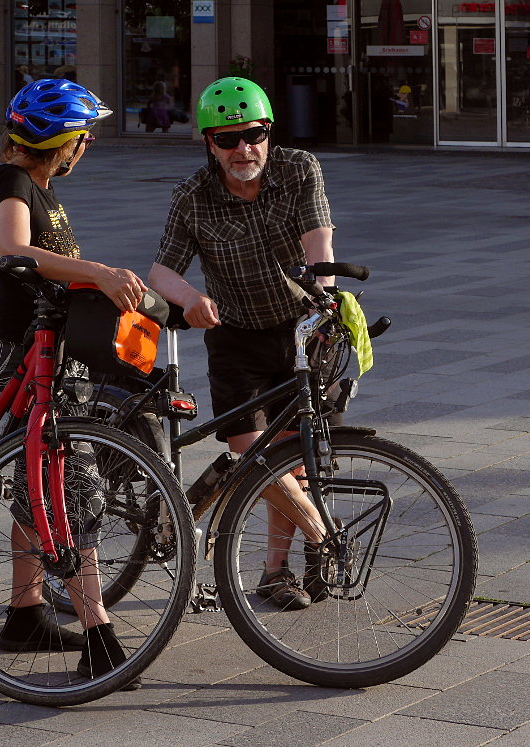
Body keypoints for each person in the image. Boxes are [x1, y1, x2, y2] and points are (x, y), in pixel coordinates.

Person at [0, 78, 147, 688]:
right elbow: (13, 249)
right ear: (64, 141)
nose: (89, 145)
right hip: (28, 353)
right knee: (70, 484)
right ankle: (99, 632)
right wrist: (98, 271)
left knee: (39, 476)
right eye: (85, 136)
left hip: (57, 349)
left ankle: (25, 612)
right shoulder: (13, 184)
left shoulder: (40, 187)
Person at [148, 77, 338, 611]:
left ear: (268, 132)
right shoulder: (193, 196)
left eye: (253, 134)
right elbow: (162, 269)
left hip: (299, 326)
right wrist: (189, 299)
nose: (243, 149)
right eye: (227, 139)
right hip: (233, 336)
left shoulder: (299, 169)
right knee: (250, 450)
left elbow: (317, 239)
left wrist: (323, 295)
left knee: (291, 457)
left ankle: (276, 573)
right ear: (209, 143)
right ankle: (323, 533)